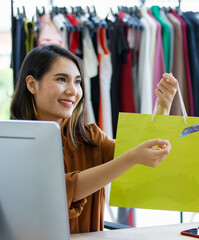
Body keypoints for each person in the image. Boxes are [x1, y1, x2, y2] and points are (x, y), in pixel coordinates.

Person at [10, 44, 178, 233]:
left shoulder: (89, 137)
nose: (73, 91)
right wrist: (131, 157)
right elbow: (59, 191)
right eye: (61, 79)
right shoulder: (14, 143)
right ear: (32, 84)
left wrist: (163, 105)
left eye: (77, 81)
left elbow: (145, 155)